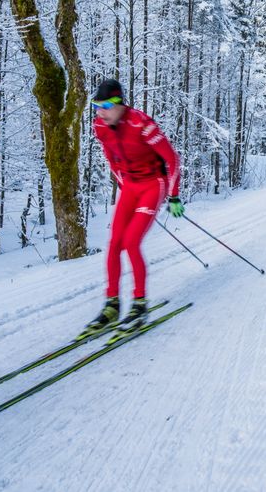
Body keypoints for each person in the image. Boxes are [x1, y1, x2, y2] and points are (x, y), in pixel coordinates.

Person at [81, 78, 183, 338]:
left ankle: (139, 304)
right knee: (114, 242)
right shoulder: (100, 126)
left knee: (130, 242)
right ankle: (112, 304)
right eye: (96, 106)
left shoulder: (141, 124)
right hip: (131, 186)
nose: (100, 112)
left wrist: (173, 196)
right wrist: (124, 182)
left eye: (104, 106)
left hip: (153, 184)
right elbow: (111, 159)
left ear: (119, 104)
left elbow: (172, 159)